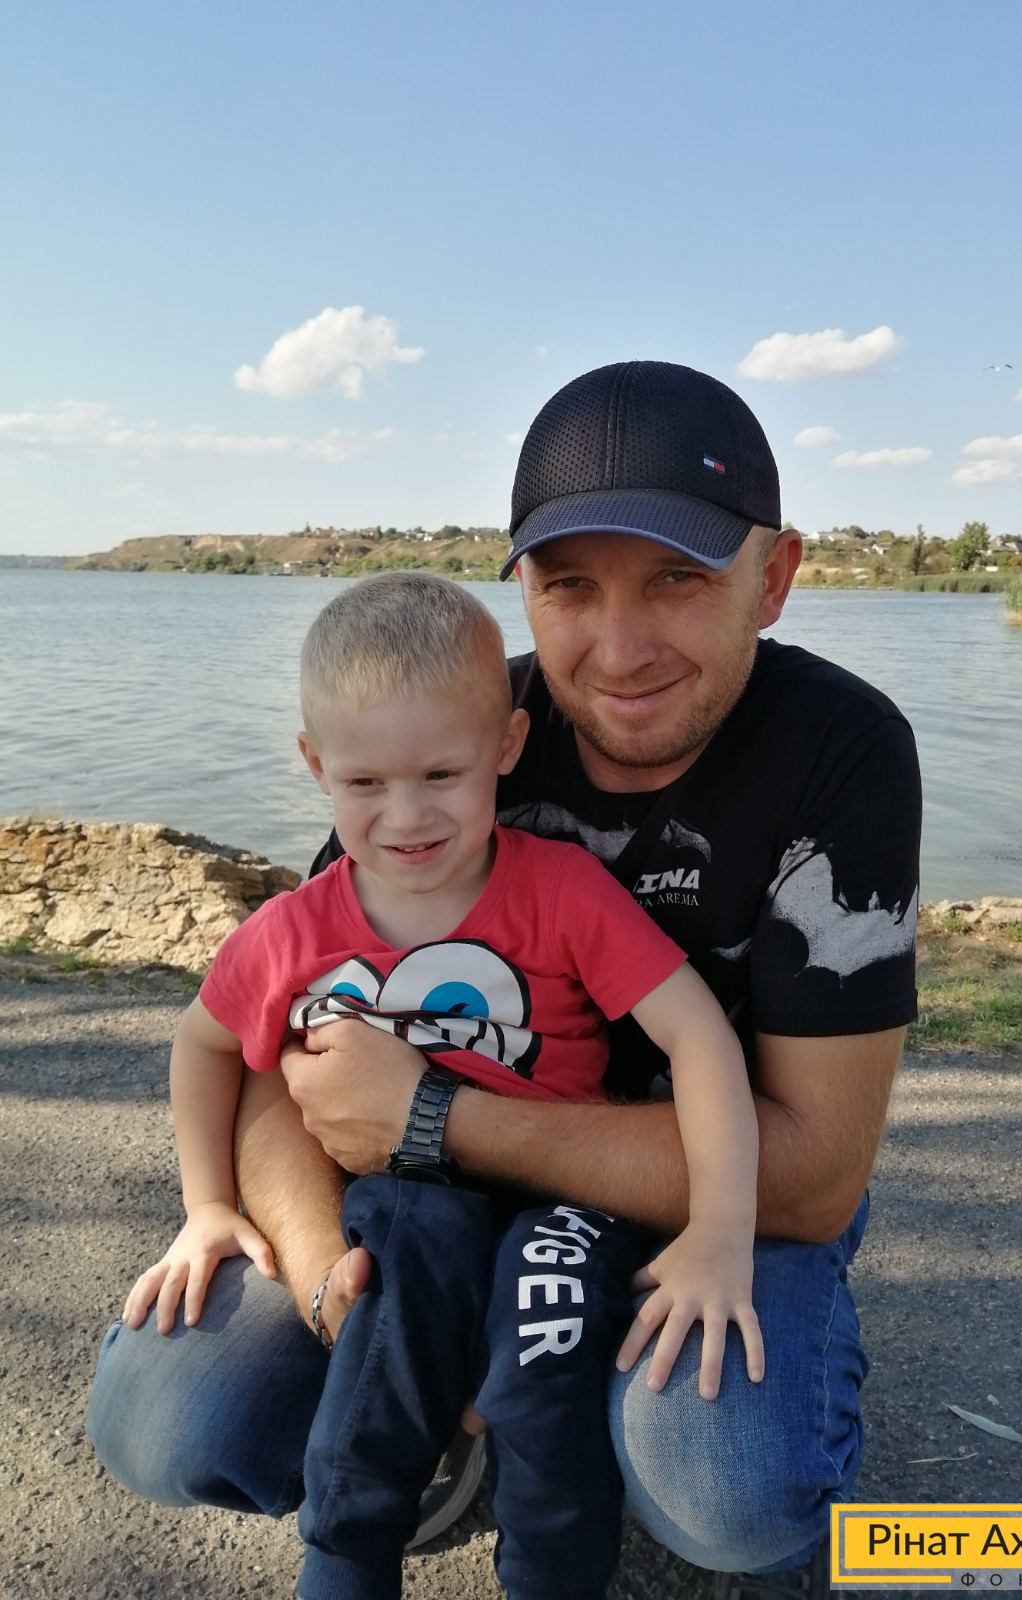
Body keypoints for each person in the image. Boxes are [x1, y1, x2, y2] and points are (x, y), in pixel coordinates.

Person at [87, 359, 922, 1599]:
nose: (619, 648)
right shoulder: (452, 732)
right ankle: (449, 1416)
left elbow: (809, 1174)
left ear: (775, 576)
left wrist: (435, 1115)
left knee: (728, 1477)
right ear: (520, 582)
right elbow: (285, 1049)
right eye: (569, 584)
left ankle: (577, 1409)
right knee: (167, 1416)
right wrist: (332, 1292)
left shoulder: (841, 751)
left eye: (679, 579)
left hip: (719, 1198)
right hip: (427, 1219)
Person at [117, 571, 764, 1600]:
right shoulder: (291, 930)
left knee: (544, 1346)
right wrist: (206, 1206)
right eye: (366, 783)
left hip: (559, 1195)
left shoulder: (560, 890)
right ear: (315, 766)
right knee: (387, 1314)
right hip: (405, 1201)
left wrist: (722, 1230)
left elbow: (697, 1035)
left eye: (441, 774)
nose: (406, 815)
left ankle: (550, 1572)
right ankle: (351, 1558)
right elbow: (204, 1045)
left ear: (506, 747)